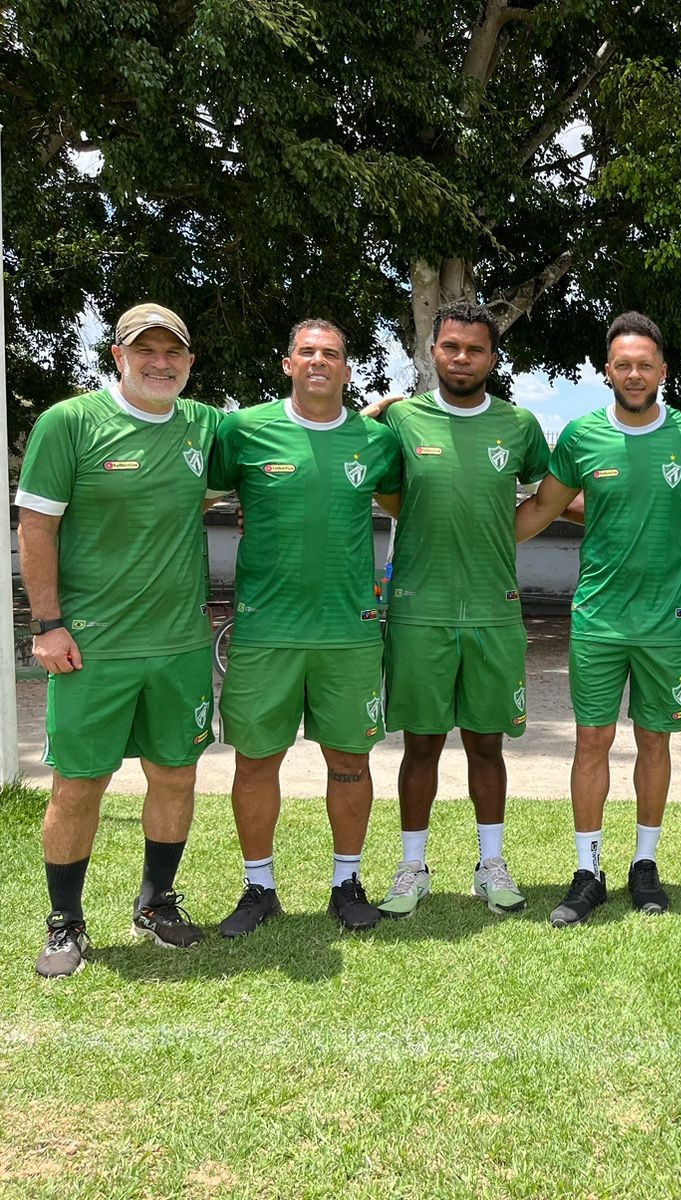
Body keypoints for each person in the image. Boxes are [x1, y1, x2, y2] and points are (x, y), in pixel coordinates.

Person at [17, 304, 221, 977]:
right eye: (146, 351)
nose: (160, 363)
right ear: (117, 355)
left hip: (180, 645)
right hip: (92, 645)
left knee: (175, 774)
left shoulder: (202, 425)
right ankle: (65, 923)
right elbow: (37, 528)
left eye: (174, 353)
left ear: (189, 362)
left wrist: (367, 417)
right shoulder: (70, 423)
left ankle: (157, 904)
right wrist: (47, 625)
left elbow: (290, 436)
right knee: (79, 783)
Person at [514, 312, 681, 926]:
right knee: (592, 741)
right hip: (600, 616)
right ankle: (588, 871)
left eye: (645, 364)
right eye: (622, 364)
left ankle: (645, 865)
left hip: (669, 617)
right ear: (607, 370)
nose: (634, 373)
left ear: (663, 370)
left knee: (655, 740)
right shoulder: (581, 436)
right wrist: (479, 541)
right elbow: (541, 510)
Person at [209, 319, 403, 934]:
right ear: (288, 362)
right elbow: (189, 498)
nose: (320, 361)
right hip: (265, 632)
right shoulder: (242, 430)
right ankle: (258, 887)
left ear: (348, 370)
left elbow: (409, 505)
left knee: (350, 761)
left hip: (348, 632)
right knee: (255, 762)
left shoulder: (376, 442)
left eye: (333, 355)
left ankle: (346, 879)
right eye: (308, 352)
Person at [362, 302, 550, 919]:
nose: (462, 358)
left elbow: (553, 496)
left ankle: (491, 862)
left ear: (493, 357)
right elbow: (366, 474)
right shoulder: (400, 423)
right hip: (421, 610)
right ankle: (411, 866)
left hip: (495, 612)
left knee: (487, 746)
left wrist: (502, 534)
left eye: (475, 349)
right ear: (431, 353)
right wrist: (371, 411)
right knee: (420, 746)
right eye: (451, 348)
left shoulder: (519, 425)